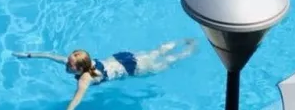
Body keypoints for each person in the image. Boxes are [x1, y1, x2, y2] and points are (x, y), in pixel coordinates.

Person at [15, 40, 198, 109]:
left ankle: (186, 52)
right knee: (154, 52)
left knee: (164, 64)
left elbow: (77, 98)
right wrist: (29, 55)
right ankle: (181, 42)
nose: (66, 65)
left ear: (79, 68)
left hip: (131, 68)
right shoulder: (82, 63)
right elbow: (50, 56)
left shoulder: (85, 78)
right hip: (124, 57)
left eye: (69, 65)